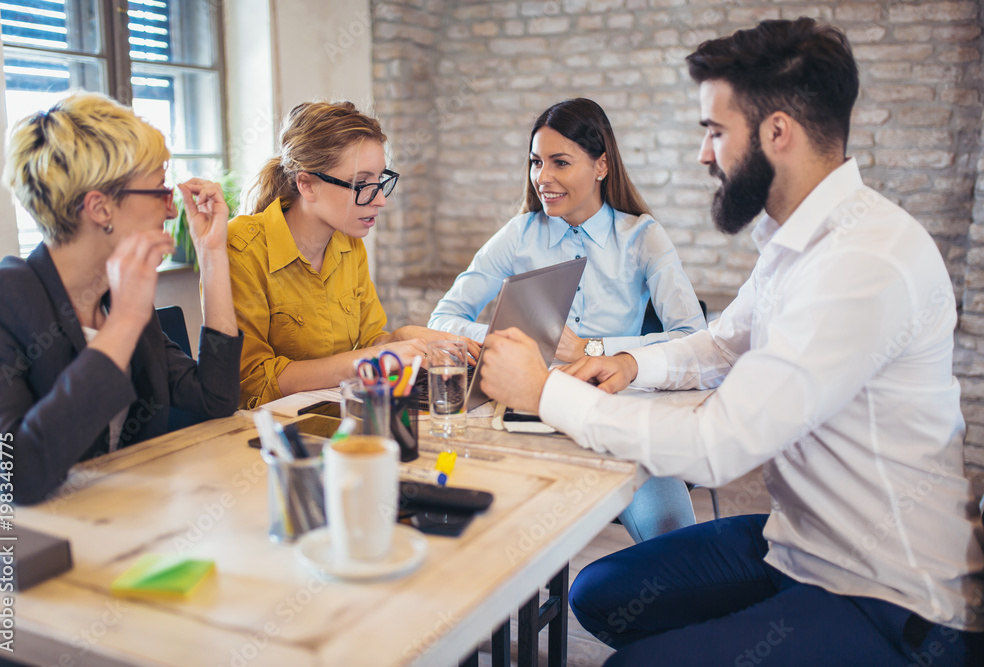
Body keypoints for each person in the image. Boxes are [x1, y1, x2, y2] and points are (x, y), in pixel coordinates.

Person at [479, 18, 984, 666]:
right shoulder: (794, 239)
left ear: (778, 132)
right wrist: (628, 362)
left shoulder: (863, 262)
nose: (703, 154)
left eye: (715, 132)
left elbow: (715, 448)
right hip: (797, 543)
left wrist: (543, 390)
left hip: (888, 596)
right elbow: (723, 343)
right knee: (600, 591)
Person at [430, 98, 707, 542]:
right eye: (536, 162)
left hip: (618, 415)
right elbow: (444, 318)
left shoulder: (642, 237)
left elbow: (693, 339)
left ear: (601, 166)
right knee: (466, 519)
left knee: (673, 542)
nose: (543, 178)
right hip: (526, 413)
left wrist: (590, 351)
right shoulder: (518, 234)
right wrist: (512, 337)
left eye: (560, 162)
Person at [0, 92, 243, 505]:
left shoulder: (114, 294)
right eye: (159, 190)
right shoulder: (0, 299)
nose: (173, 210)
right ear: (100, 208)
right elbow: (17, 474)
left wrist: (211, 253)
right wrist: (122, 324)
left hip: (120, 523)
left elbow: (215, 398)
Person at [228, 101, 477, 409]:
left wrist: (410, 337)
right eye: (361, 184)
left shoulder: (348, 241)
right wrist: (369, 359)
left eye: (380, 181)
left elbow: (371, 340)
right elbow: (252, 382)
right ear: (306, 184)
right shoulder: (241, 247)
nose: (381, 200)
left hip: (333, 416)